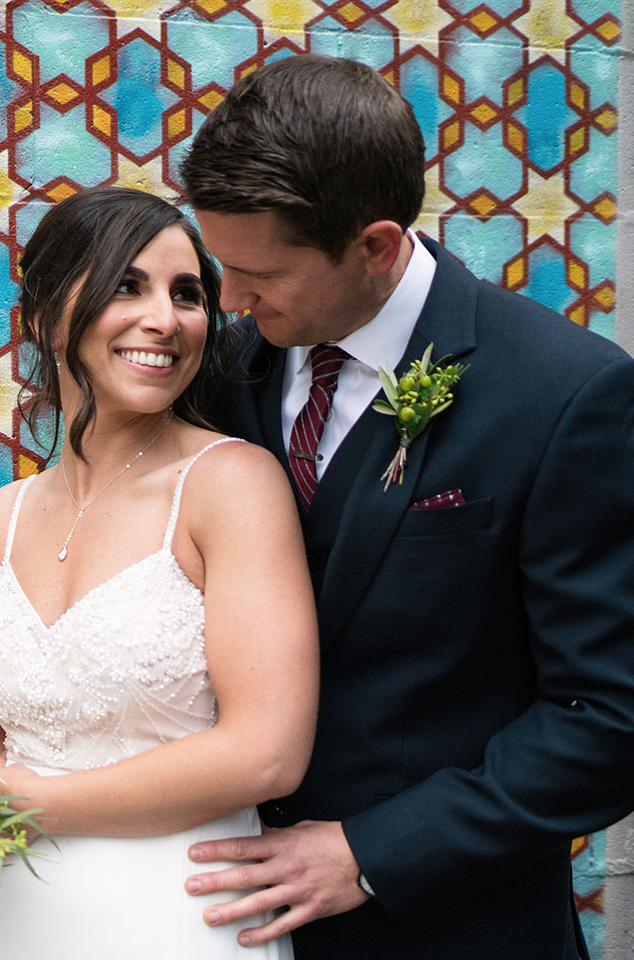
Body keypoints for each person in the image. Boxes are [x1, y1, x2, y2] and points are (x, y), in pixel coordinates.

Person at [176, 54, 634, 960]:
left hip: (453, 929)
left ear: (376, 246)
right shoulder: (220, 378)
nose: (230, 301)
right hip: (214, 925)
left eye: (260, 272)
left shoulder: (568, 393)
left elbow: (610, 714)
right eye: (221, 267)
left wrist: (373, 853)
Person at [0, 185, 320, 959]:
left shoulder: (228, 485)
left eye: (188, 294)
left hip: (176, 914)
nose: (166, 320)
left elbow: (266, 751)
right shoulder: (2, 518)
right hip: (7, 916)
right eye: (126, 286)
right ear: (43, 316)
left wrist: (36, 805)